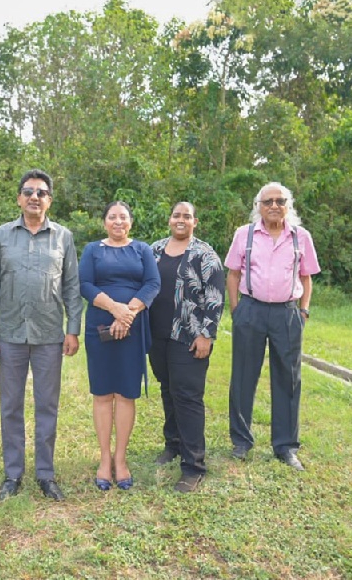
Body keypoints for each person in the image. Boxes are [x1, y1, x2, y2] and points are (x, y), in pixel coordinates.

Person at [0, 169, 83, 502]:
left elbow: (71, 286)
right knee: (10, 406)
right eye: (28, 191)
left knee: (47, 406)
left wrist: (73, 329)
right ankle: (12, 474)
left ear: (49, 199)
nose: (34, 197)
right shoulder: (2, 235)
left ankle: (46, 474)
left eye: (41, 192)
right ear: (19, 198)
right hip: (8, 333)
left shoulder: (63, 237)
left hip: (49, 334)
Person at [224, 182, 320, 471]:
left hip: (287, 313)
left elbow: (306, 277)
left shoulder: (300, 237)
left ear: (288, 205)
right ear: (259, 207)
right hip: (251, 310)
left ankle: (285, 447)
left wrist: (303, 312)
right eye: (268, 202)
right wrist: (236, 309)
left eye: (280, 201)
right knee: (243, 376)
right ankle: (241, 442)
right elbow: (232, 273)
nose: (274, 206)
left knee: (288, 380)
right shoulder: (245, 234)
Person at [79, 201, 160, 491]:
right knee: (102, 394)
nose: (117, 222)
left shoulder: (142, 250)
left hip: (132, 328)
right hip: (100, 327)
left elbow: (152, 284)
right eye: (112, 217)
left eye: (123, 217)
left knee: (126, 394)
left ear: (130, 222)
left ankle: (121, 459)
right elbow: (85, 285)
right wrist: (115, 309)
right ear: (104, 223)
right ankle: (104, 459)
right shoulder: (92, 250)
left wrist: (128, 315)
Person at [148, 202, 225, 492]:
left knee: (188, 397)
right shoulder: (154, 251)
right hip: (157, 336)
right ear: (170, 219)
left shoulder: (205, 255)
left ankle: (194, 466)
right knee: (167, 389)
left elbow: (216, 298)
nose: (181, 220)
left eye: (187, 216)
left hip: (189, 336)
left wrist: (207, 334)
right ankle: (174, 444)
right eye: (177, 215)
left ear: (195, 221)